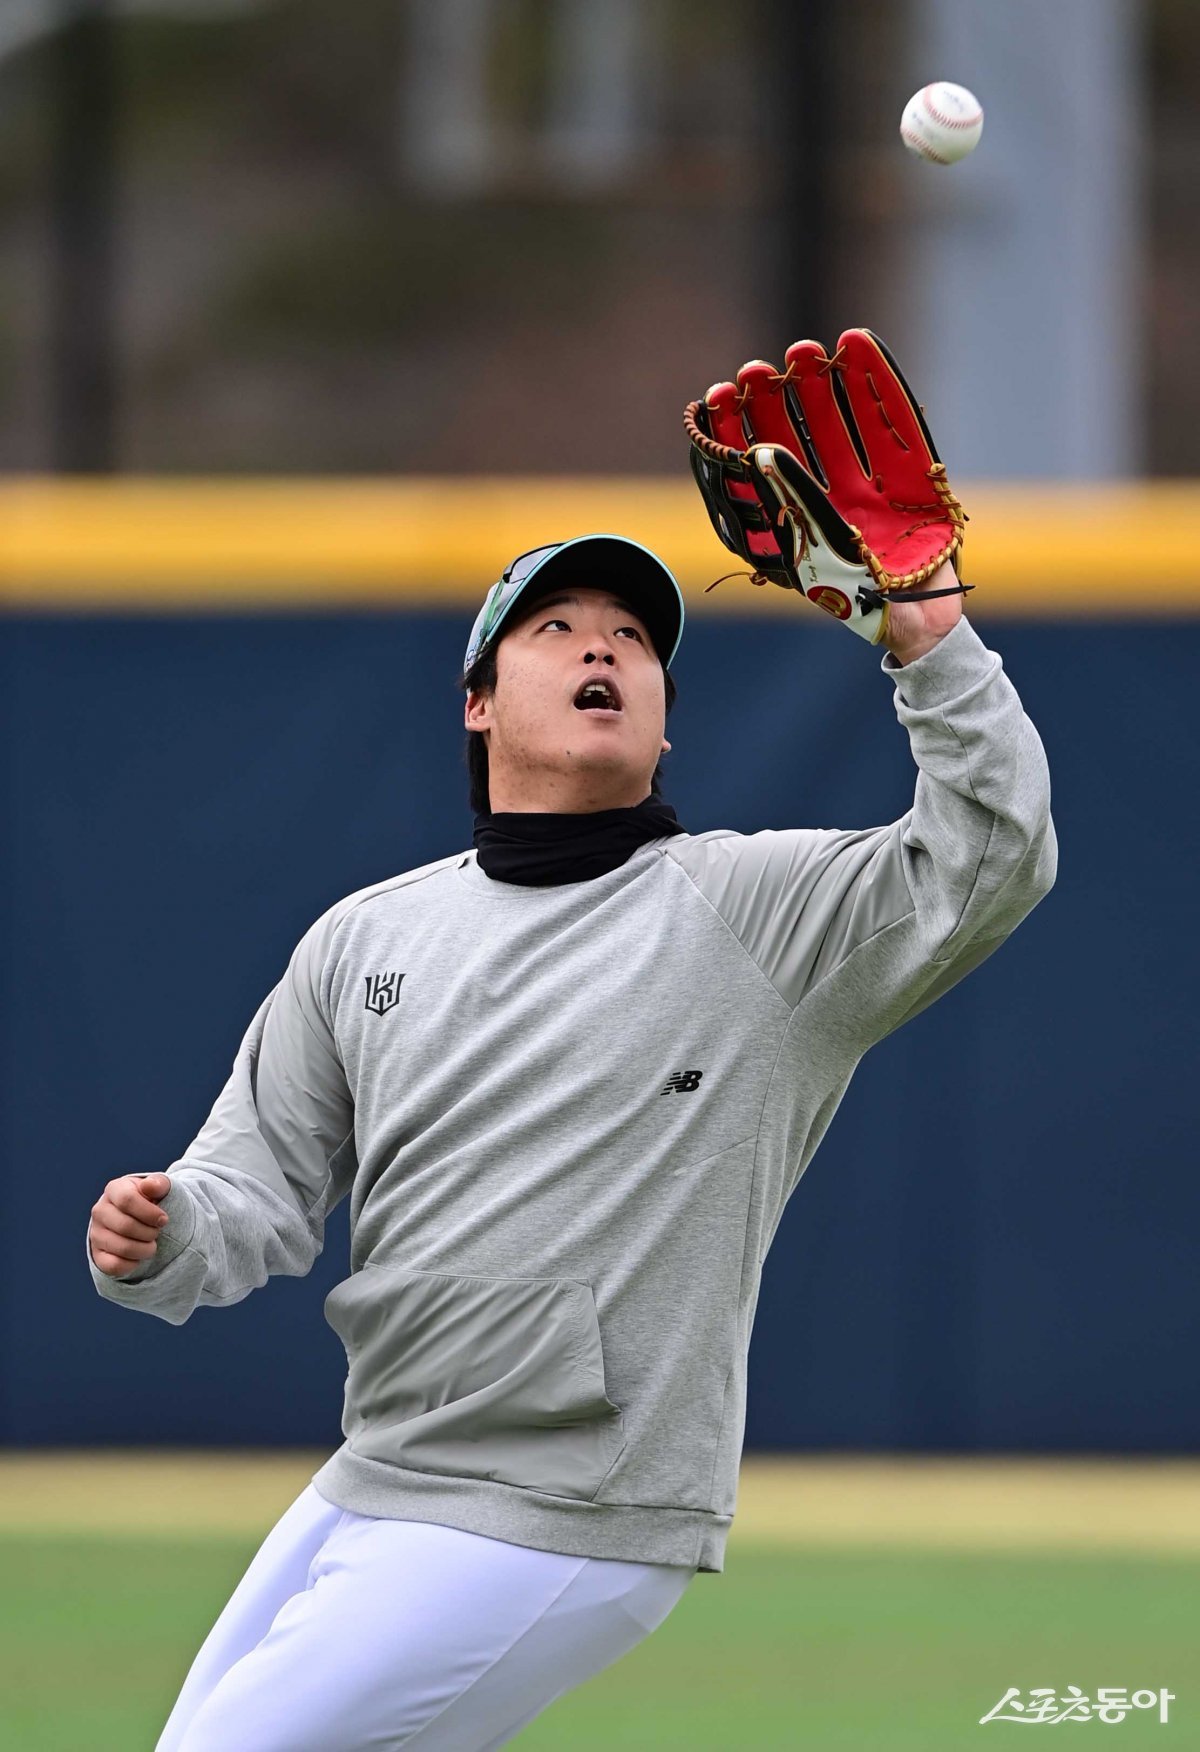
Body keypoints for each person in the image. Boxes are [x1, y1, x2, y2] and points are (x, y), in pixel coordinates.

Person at [88, 530, 1056, 1751]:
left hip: (571, 1506)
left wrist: (934, 647)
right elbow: (254, 1183)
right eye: (555, 628)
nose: (602, 647)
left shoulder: (760, 915)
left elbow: (991, 858)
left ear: (663, 729)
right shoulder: (363, 939)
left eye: (633, 638)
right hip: (379, 1467)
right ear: (480, 702)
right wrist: (170, 1231)